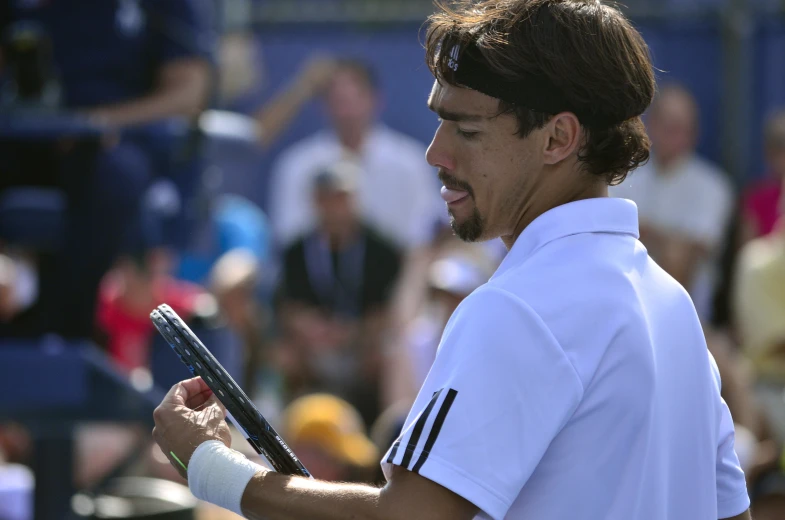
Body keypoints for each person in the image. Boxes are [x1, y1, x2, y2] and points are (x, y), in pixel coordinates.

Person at [152, 1, 751, 519]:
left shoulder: (517, 308)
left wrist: (211, 467)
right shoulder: (671, 305)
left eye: (465, 130)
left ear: (557, 139)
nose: (436, 154)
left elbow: (409, 519)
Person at [267, 58, 443, 251]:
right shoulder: (296, 165)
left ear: (375, 99)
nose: (347, 111)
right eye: (339, 101)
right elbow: (290, 237)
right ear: (323, 105)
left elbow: (426, 236)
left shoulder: (411, 161)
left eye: (355, 99)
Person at [275, 160, 402, 424]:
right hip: (316, 344)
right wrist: (312, 329)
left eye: (341, 198)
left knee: (388, 357)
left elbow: (390, 310)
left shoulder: (383, 250)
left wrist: (356, 334)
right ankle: (291, 430)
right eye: (326, 198)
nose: (334, 207)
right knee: (285, 358)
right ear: (315, 201)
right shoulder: (296, 251)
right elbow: (287, 308)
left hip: (362, 344)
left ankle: (383, 430)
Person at [610, 83, 734, 322]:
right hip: (626, 286)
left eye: (680, 128)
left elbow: (698, 245)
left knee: (677, 253)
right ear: (650, 126)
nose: (673, 135)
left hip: (690, 298)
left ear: (693, 133)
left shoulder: (713, 185)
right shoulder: (623, 177)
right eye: (667, 126)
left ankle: (671, 323)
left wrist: (645, 230)